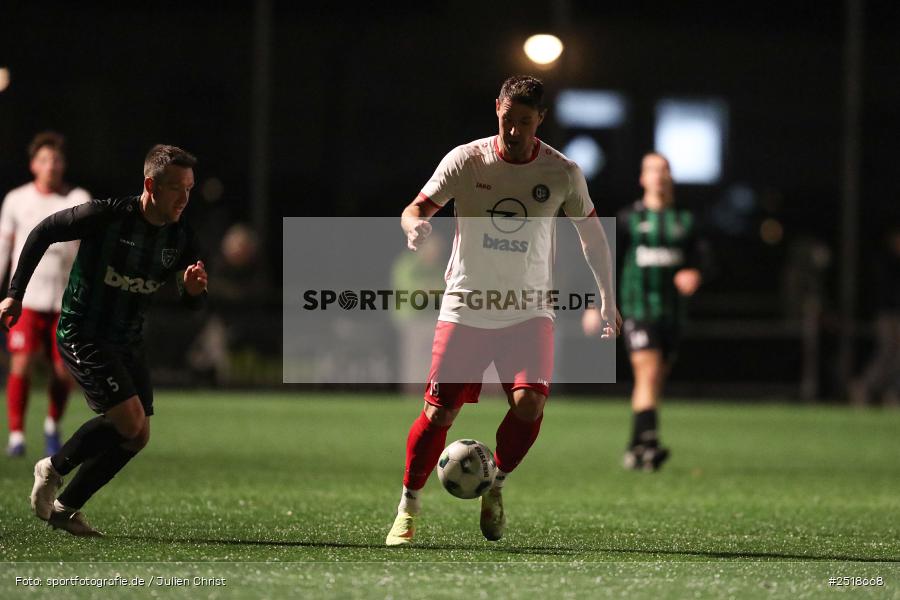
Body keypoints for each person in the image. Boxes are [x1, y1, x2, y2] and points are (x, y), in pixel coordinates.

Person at [385, 75, 620, 546]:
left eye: (525, 122)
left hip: (529, 309)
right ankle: (408, 506)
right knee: (438, 414)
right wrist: (414, 229)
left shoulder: (562, 172)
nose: (514, 131)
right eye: (508, 120)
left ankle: (496, 483)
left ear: (541, 120)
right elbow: (416, 208)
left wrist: (607, 299)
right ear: (497, 109)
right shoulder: (466, 159)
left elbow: (592, 237)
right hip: (466, 305)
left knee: (530, 404)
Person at [0, 144, 208, 536]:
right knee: (129, 421)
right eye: (176, 188)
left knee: (138, 436)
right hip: (84, 332)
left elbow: (192, 307)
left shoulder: (181, 237)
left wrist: (193, 292)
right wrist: (15, 293)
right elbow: (43, 231)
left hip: (127, 340)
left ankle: (65, 507)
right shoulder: (106, 216)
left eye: (189, 188)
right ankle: (52, 467)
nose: (184, 198)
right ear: (151, 184)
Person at [584, 152, 706, 472]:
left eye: (664, 170)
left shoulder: (686, 220)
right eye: (653, 170)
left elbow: (702, 259)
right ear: (643, 178)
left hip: (672, 313)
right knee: (648, 374)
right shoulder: (629, 219)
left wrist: (694, 272)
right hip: (638, 309)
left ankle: (635, 448)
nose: (659, 176)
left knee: (652, 383)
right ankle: (650, 443)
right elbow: (605, 262)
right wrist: (597, 304)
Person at [1, 132, 89, 457]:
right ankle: (16, 435)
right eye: (44, 160)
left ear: (63, 164)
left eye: (56, 159)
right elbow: (4, 249)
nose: (51, 165)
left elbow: (85, 247)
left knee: (62, 369)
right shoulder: (16, 199)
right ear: (33, 165)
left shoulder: (77, 197)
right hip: (27, 297)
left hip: (65, 297)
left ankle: (52, 425)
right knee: (21, 363)